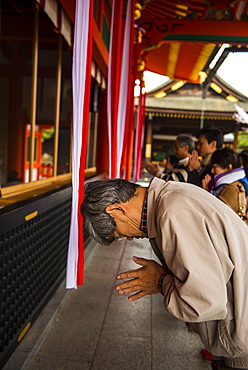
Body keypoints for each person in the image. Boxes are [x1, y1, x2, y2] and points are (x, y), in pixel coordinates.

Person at [82, 178, 248, 369]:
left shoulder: (173, 212)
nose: (128, 238)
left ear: (116, 210)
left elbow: (203, 302)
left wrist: (160, 281)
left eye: (118, 234)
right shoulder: (171, 197)